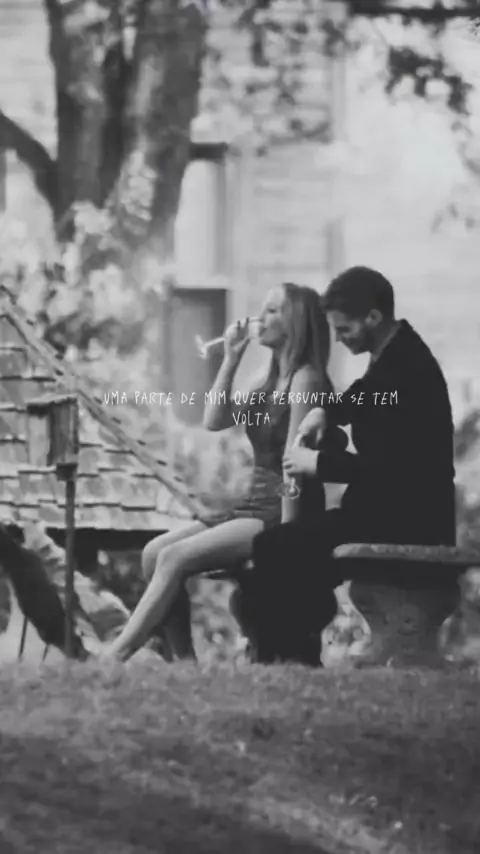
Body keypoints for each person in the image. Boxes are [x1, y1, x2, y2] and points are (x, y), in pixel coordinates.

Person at [101, 282, 334, 662]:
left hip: (285, 509)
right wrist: (230, 359)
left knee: (174, 558)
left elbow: (296, 463)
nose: (261, 317)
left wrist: (289, 538)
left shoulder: (305, 379)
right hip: (255, 503)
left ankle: (116, 655)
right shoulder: (265, 379)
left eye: (273, 310)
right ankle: (185, 664)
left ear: (296, 322)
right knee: (153, 553)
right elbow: (214, 420)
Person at [248, 265, 457, 663]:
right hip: (383, 511)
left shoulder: (406, 369)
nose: (340, 340)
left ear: (373, 317)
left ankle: (288, 660)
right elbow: (365, 395)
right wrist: (326, 412)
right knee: (281, 547)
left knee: (279, 549)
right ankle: (286, 657)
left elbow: (388, 470)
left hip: (405, 518)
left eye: (344, 329)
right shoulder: (395, 355)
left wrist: (317, 463)